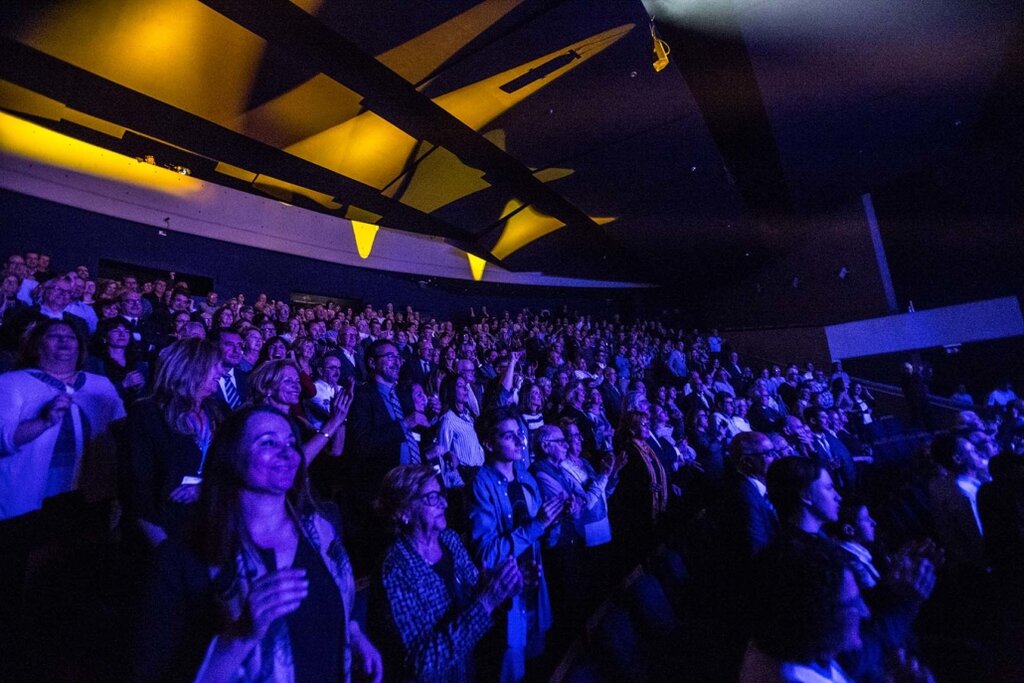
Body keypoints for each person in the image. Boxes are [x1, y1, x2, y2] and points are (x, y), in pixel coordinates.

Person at [132, 406, 382, 682]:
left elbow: (338, 601)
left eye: (291, 443)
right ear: (231, 457)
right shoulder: (183, 558)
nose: (287, 453)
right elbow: (154, 671)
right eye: (268, 443)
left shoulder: (321, 534)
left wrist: (354, 635)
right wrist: (238, 638)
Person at [370, 464, 522, 683]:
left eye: (441, 494)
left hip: (472, 668)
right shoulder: (395, 569)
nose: (445, 503)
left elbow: (476, 594)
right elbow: (421, 663)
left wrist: (501, 585)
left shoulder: (450, 540)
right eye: (432, 498)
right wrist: (487, 601)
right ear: (403, 511)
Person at [466, 408, 560, 683]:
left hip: (535, 586)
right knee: (512, 668)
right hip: (507, 597)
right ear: (488, 443)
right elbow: (487, 553)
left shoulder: (524, 475)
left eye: (519, 434)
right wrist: (538, 525)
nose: (519, 441)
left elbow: (542, 535)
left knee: (538, 663)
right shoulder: (480, 484)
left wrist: (556, 520)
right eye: (509, 436)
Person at [126, 338, 225, 547]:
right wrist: (163, 548)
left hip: (213, 521)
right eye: (215, 366)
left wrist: (206, 489)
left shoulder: (218, 411)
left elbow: (234, 467)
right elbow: (137, 487)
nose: (221, 372)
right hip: (164, 527)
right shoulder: (147, 413)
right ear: (192, 367)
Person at [741, 535, 869, 683]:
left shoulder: (788, 651)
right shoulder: (790, 676)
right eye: (853, 603)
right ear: (816, 621)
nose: (865, 612)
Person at [248, 359, 351, 464]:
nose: (296, 386)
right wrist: (333, 422)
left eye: (297, 381)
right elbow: (291, 463)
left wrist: (340, 419)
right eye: (288, 381)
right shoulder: (258, 421)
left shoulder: (298, 421)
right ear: (268, 388)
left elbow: (334, 451)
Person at [86, 317, 150, 403]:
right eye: (116, 331)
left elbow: (147, 394)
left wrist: (140, 388)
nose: (122, 334)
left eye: (126, 331)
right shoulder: (94, 362)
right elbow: (92, 394)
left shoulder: (139, 363)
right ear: (105, 336)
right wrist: (123, 385)